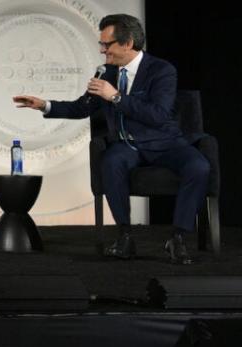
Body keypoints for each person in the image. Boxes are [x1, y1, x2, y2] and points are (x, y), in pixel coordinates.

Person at [14, 14, 209, 265]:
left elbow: (158, 115)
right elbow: (81, 108)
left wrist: (116, 97)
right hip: (127, 146)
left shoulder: (161, 70)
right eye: (101, 44)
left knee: (200, 166)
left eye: (107, 45)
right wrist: (45, 105)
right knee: (110, 162)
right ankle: (124, 237)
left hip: (164, 143)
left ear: (127, 43)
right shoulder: (106, 72)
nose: (102, 50)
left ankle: (178, 238)